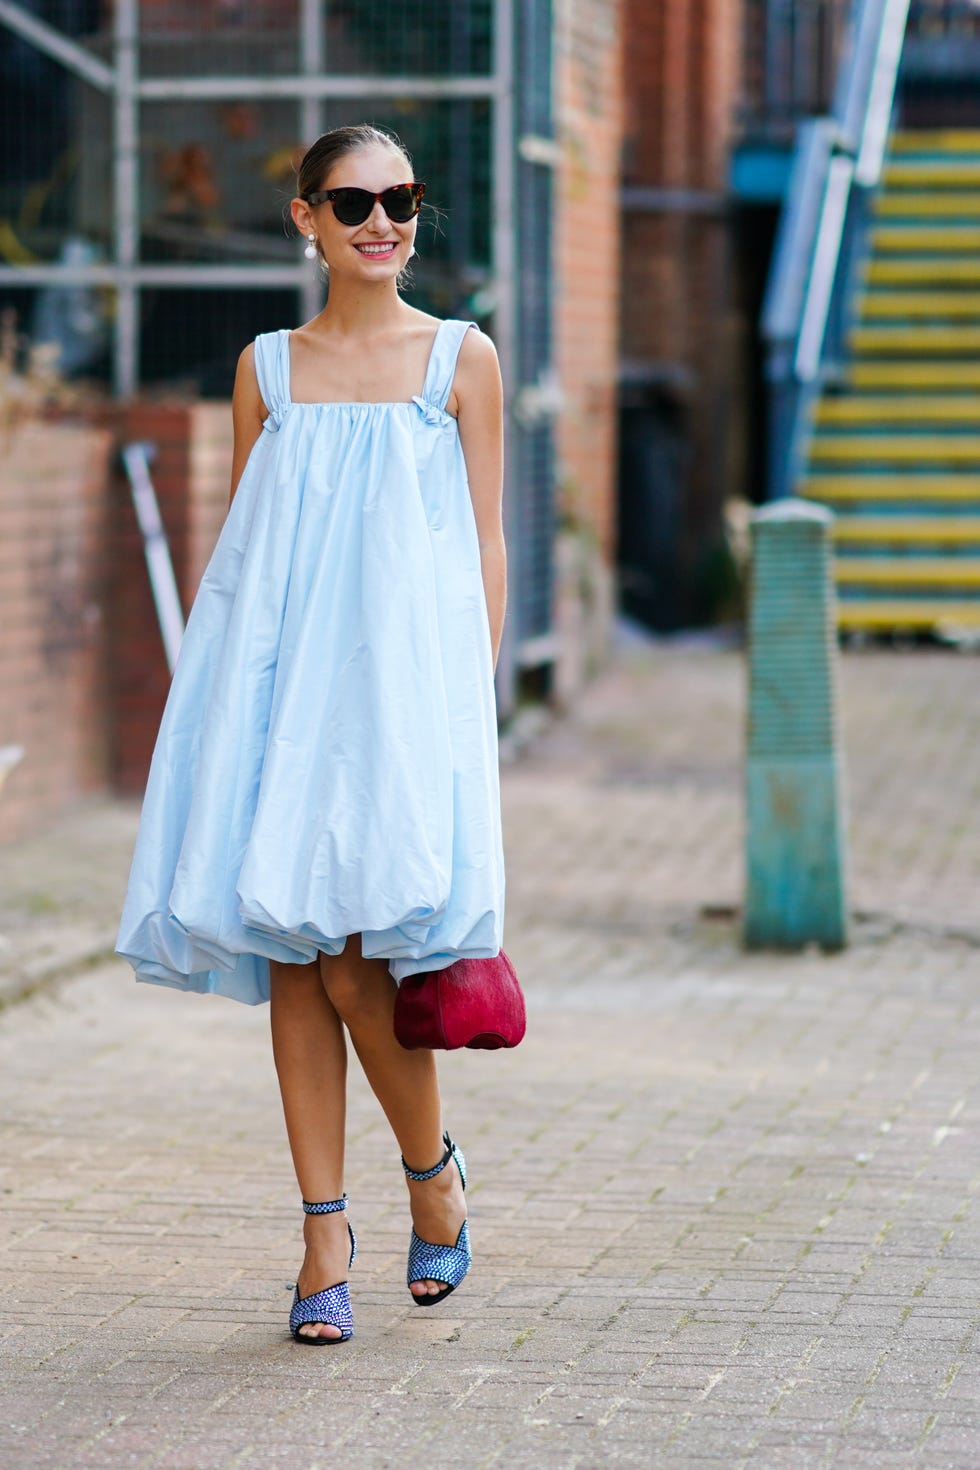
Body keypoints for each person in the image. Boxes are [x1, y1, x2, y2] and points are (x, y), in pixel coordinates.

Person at [116, 124, 507, 1345]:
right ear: (305, 220)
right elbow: (253, 558)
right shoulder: (267, 369)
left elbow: (482, 541)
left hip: (403, 703)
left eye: (400, 198)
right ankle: (321, 1232)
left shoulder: (461, 359)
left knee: (359, 963)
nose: (381, 220)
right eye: (352, 202)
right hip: (280, 697)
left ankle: (430, 1175)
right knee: (294, 949)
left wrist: (468, 714)